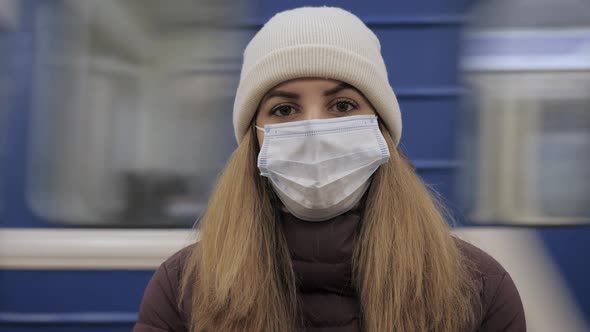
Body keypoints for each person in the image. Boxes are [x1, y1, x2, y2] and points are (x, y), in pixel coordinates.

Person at [133, 7, 525, 332]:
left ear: (381, 129)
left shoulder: (477, 287)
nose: (314, 130)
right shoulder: (183, 289)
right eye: (284, 110)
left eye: (342, 106)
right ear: (255, 139)